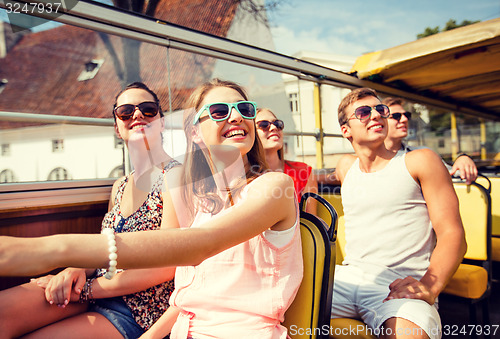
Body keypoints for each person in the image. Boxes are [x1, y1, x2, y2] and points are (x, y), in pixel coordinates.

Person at [0, 79, 303, 339]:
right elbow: (187, 299)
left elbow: (197, 246)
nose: (236, 118)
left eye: (244, 109)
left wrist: (57, 250)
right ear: (195, 133)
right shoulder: (205, 202)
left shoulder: (274, 187)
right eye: (220, 111)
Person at [0, 82, 181, 339]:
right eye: (126, 112)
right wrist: (75, 270)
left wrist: (86, 289)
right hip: (94, 289)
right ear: (118, 128)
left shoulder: (175, 176)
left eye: (148, 109)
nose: (137, 115)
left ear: (161, 122)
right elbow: (104, 248)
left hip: (138, 310)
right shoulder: (120, 186)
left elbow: (169, 264)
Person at [332, 88, 467, 339]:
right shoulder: (345, 166)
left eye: (380, 110)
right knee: (274, 305)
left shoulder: (420, 161)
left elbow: (452, 234)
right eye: (363, 112)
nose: (375, 115)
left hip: (398, 283)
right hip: (347, 278)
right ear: (346, 131)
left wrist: (429, 286)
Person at [382, 97, 478, 184]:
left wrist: (463, 158)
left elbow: (454, 174)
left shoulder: (423, 154)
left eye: (406, 115)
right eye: (396, 116)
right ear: (380, 122)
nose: (404, 119)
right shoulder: (370, 160)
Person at [255, 107, 318, 213]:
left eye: (278, 124)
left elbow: (311, 222)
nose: (274, 128)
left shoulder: (303, 172)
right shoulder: (245, 178)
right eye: (264, 125)